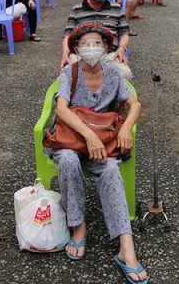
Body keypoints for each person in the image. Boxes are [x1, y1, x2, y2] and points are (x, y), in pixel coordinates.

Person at [51, 24, 147, 284]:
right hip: (71, 139)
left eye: (97, 43)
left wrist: (126, 126)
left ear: (106, 48)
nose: (91, 48)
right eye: (85, 44)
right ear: (76, 49)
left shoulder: (114, 74)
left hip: (104, 144)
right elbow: (61, 109)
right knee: (69, 160)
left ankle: (126, 249)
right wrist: (89, 135)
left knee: (111, 171)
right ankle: (78, 224)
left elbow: (134, 104)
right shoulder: (69, 72)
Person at [62, 0, 132, 78]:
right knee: (66, 77)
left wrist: (121, 48)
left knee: (125, 74)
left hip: (109, 55)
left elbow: (124, 34)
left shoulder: (116, 8)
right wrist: (65, 55)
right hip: (81, 55)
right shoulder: (76, 10)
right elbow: (68, 36)